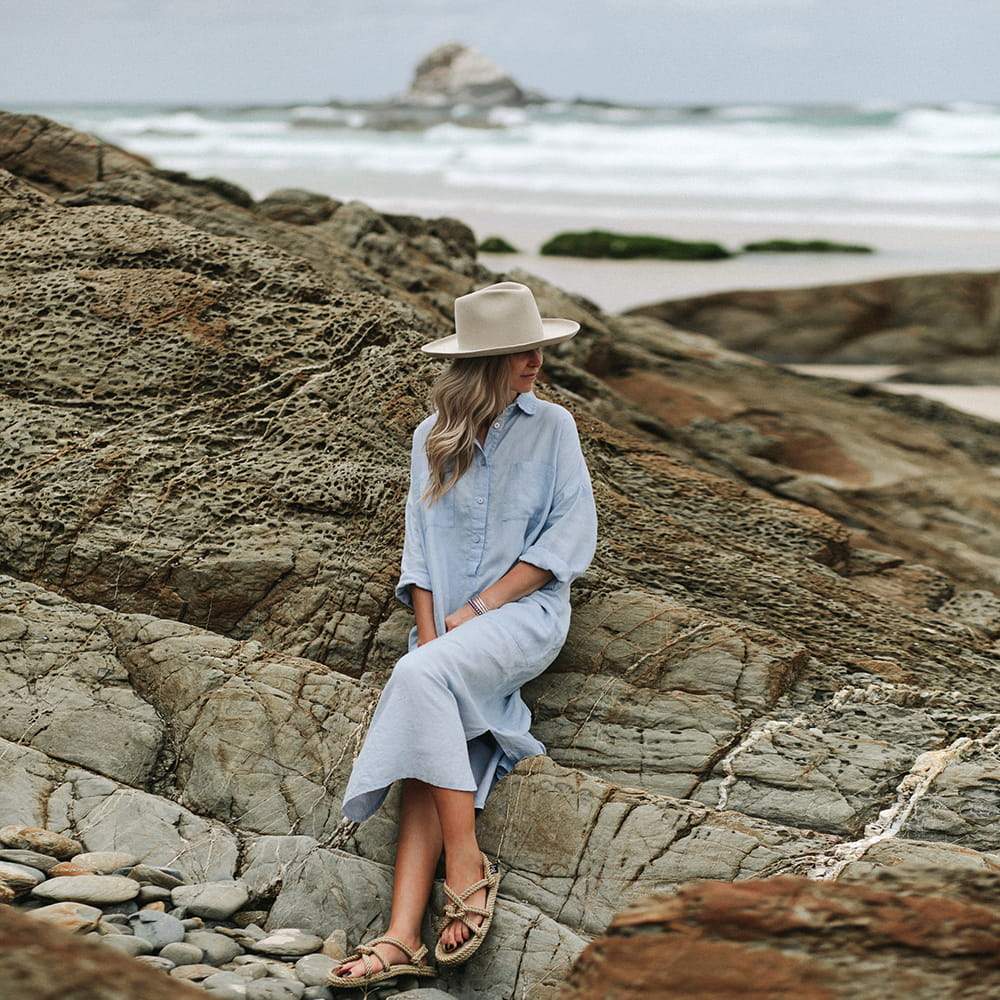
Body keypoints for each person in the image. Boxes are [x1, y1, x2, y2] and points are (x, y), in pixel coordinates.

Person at [329, 281, 599, 988]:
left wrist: (478, 612)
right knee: (427, 727)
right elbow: (418, 555)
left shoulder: (555, 428)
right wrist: (431, 640)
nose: (535, 361)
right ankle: (399, 936)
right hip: (445, 637)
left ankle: (468, 863)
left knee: (422, 684)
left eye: (537, 347)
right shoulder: (430, 437)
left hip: (524, 620)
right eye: (518, 352)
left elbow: (569, 538)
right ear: (484, 362)